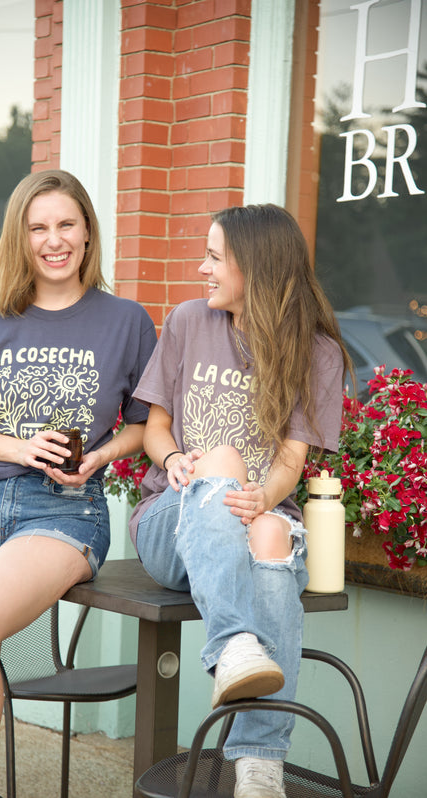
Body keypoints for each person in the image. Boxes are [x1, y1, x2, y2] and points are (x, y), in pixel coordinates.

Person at [0, 169, 157, 798]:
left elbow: (143, 426)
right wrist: (18, 447)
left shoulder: (127, 321)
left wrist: (99, 456)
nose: (53, 240)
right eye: (38, 227)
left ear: (86, 232)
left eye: (65, 225)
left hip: (64, 510)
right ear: (19, 238)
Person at [128, 204, 351, 798]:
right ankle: (232, 644)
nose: (202, 268)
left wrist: (259, 501)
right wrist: (176, 460)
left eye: (214, 257)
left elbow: (289, 464)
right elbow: (156, 430)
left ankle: (258, 768)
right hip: (171, 523)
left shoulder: (317, 351)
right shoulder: (185, 322)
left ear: (255, 267)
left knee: (275, 532)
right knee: (221, 458)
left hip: (255, 522)